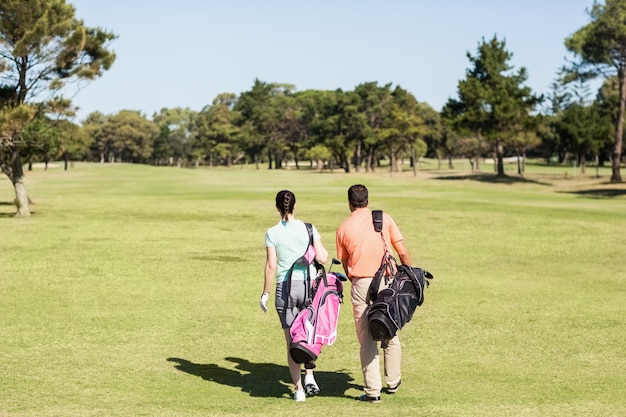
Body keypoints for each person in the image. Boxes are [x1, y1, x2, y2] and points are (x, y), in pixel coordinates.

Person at [335, 184, 412, 404]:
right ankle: (393, 381)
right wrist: (409, 276)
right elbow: (402, 252)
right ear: (367, 200)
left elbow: (346, 261)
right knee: (390, 330)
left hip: (360, 283)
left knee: (366, 339)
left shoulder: (343, 227)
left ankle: (372, 392)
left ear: (349, 202)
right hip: (388, 280)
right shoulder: (384, 219)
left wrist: (356, 280)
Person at [261, 190, 329, 402]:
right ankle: (309, 375)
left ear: (277, 207)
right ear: (295, 206)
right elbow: (323, 257)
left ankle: (298, 390)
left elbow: (271, 266)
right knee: (308, 334)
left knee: (291, 340)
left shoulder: (272, 232)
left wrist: (265, 293)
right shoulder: (309, 228)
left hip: (285, 288)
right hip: (309, 286)